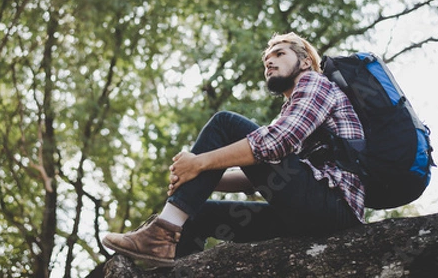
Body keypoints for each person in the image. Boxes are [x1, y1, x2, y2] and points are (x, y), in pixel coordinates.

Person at [102, 32, 365, 267]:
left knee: (224, 123)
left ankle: (163, 230)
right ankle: (169, 256)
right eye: (266, 60)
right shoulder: (292, 109)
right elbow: (261, 178)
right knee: (198, 214)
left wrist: (199, 163)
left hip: (332, 208)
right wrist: (200, 179)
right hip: (304, 215)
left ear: (306, 61)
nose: (269, 62)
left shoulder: (315, 83)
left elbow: (275, 143)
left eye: (279, 54)